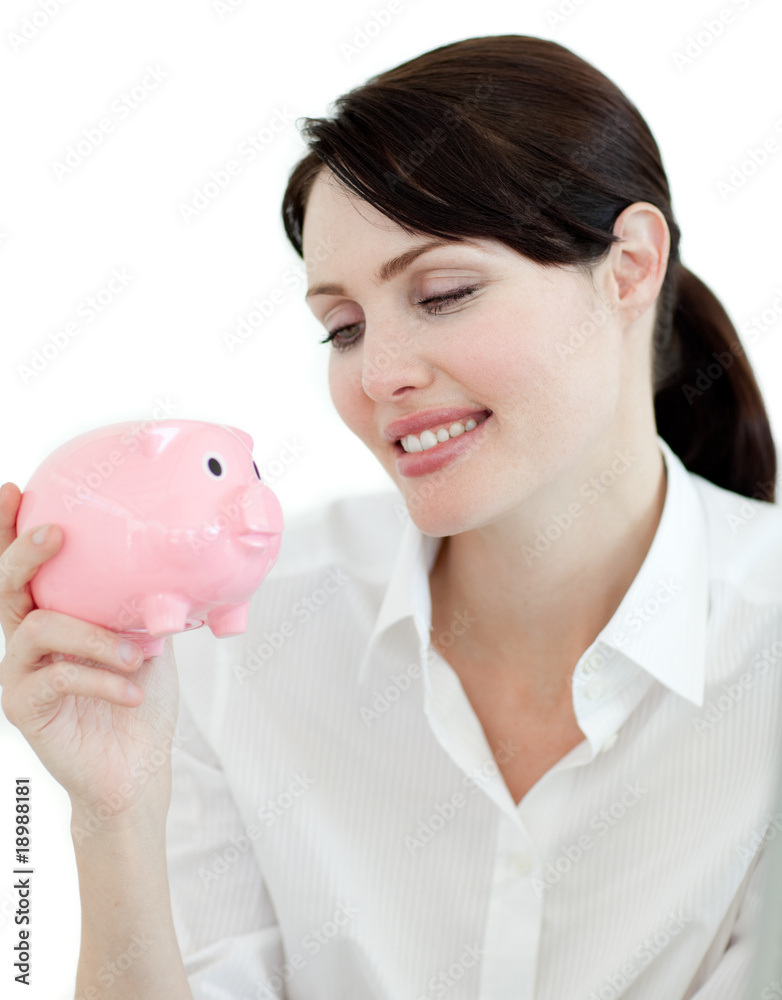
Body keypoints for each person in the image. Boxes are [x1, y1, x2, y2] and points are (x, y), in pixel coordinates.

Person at [1, 32, 781, 1000]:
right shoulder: (236, 649)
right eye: (343, 328)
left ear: (627, 266)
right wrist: (112, 815)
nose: (378, 376)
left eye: (443, 294)